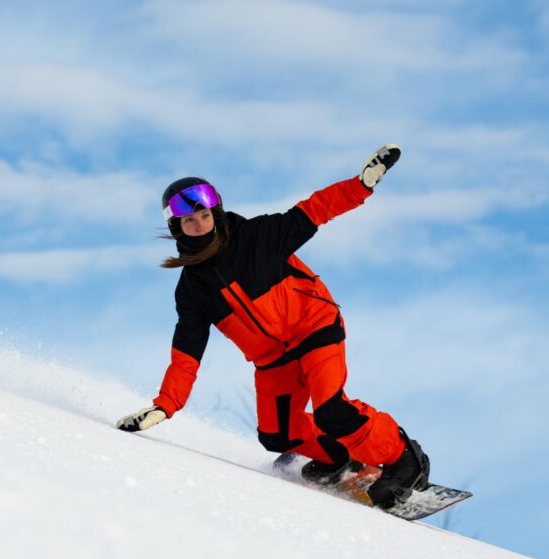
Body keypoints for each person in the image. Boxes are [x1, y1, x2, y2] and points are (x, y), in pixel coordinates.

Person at [116, 144, 430, 509]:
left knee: (332, 410)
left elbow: (315, 209)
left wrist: (361, 185)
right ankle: (336, 456)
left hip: (314, 330)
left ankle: (404, 459)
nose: (199, 224)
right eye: (189, 220)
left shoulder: (258, 236)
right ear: (177, 228)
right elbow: (187, 352)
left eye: (204, 214)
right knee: (278, 435)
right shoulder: (192, 289)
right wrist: (164, 406)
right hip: (273, 361)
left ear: (215, 212)